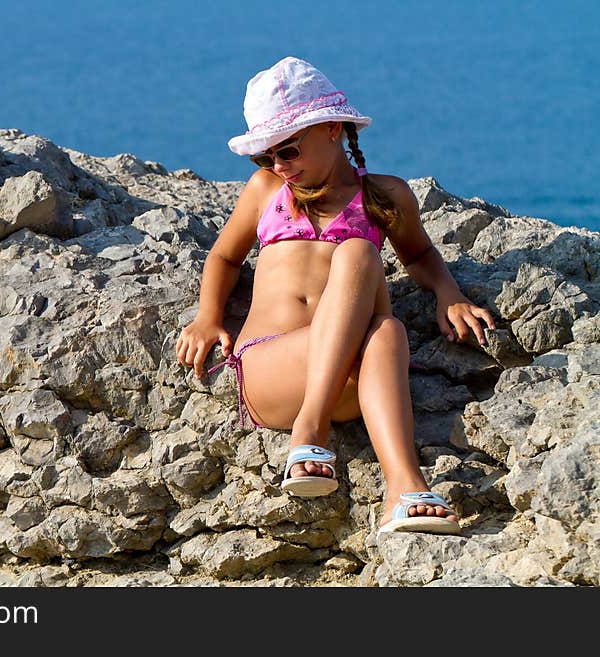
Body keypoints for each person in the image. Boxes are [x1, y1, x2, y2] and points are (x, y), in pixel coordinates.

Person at [175, 57, 497, 535]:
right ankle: (309, 431)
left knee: (382, 315)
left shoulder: (384, 195)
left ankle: (403, 490)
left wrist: (447, 293)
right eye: (266, 158)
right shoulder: (267, 191)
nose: (278, 166)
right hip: (271, 370)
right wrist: (207, 315)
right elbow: (224, 257)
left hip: (353, 379)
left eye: (286, 151)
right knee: (360, 256)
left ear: (329, 127)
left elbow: (420, 254)